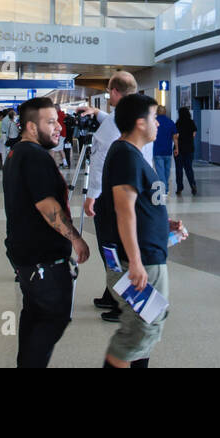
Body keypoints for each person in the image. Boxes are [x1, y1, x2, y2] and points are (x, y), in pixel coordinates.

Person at [95, 93, 187, 367]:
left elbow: (137, 206)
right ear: (140, 123)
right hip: (140, 260)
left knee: (147, 324)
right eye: (154, 117)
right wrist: (135, 262)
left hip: (148, 254)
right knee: (139, 330)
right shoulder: (125, 155)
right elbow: (124, 211)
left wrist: (163, 224)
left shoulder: (130, 154)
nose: (158, 123)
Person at [3, 96, 90, 368]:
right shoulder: (36, 156)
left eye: (58, 121)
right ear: (31, 127)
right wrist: (75, 238)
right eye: (50, 122)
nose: (58, 128)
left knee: (35, 314)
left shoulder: (17, 152)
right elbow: (46, 205)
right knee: (54, 316)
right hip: (43, 258)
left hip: (25, 253)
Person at [83, 71, 140, 322]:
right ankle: (111, 292)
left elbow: (99, 160)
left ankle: (121, 303)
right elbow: (115, 126)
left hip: (110, 193)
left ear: (115, 92)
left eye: (109, 91)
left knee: (111, 247)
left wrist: (91, 194)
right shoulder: (136, 114)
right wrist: (98, 115)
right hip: (131, 189)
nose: (108, 95)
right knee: (117, 245)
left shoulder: (117, 121)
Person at [174, 107, 198, 195]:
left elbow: (176, 137)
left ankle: (179, 188)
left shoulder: (178, 123)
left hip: (179, 148)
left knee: (179, 169)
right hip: (189, 148)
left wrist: (177, 147)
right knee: (189, 168)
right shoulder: (191, 122)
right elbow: (194, 135)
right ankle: (193, 185)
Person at [153, 105, 176, 195]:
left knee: (160, 171)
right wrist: (176, 147)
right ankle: (165, 187)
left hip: (157, 150)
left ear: (157, 112)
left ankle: (164, 189)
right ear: (165, 112)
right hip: (168, 150)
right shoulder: (170, 122)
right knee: (167, 170)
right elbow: (175, 136)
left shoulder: (154, 122)